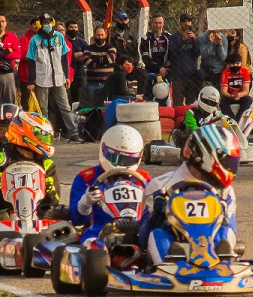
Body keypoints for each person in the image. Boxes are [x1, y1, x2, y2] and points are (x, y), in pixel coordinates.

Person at [138, 125, 241, 264]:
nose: (231, 168)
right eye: (228, 162)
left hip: (211, 246)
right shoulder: (161, 186)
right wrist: (157, 216)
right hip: (174, 249)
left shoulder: (225, 192)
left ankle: (223, 263)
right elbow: (142, 240)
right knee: (157, 235)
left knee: (224, 231)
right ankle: (169, 266)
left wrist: (223, 216)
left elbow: (231, 230)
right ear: (207, 155)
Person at [70, 124, 151, 245]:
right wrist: (85, 203)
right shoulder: (86, 179)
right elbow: (76, 221)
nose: (122, 164)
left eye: (128, 159)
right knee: (92, 245)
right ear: (104, 149)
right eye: (116, 157)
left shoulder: (144, 179)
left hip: (138, 231)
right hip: (100, 232)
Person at [0, 110, 61, 213]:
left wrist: (50, 192)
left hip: (38, 216)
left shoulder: (46, 164)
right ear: (26, 134)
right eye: (42, 137)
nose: (46, 141)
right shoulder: (0, 158)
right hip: (5, 216)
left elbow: (55, 202)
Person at [25, 13, 83, 143]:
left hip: (58, 77)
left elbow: (64, 57)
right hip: (42, 78)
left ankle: (73, 132)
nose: (47, 25)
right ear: (40, 24)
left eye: (49, 22)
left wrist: (66, 76)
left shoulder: (59, 37)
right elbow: (31, 61)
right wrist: (31, 81)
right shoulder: (34, 40)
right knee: (43, 108)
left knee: (65, 106)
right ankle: (44, 133)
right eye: (44, 22)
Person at [172, 85, 222, 149]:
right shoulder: (191, 113)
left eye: (212, 103)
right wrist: (208, 134)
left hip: (210, 139)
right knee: (177, 133)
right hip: (192, 139)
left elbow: (227, 122)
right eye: (207, 101)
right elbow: (193, 128)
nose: (209, 105)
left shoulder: (217, 114)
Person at [169, 13, 201, 105]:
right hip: (178, 76)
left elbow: (197, 54)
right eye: (184, 21)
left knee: (191, 103)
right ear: (180, 23)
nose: (187, 24)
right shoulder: (174, 37)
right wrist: (183, 40)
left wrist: (194, 41)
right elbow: (172, 54)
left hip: (191, 75)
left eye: (189, 21)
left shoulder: (194, 37)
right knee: (178, 104)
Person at [220, 53, 252, 121]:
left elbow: (246, 91)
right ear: (229, 64)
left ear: (240, 63)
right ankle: (231, 120)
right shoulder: (225, 72)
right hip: (229, 96)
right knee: (221, 101)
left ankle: (238, 120)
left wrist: (239, 95)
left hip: (241, 96)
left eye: (237, 63)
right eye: (233, 64)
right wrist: (231, 96)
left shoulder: (245, 72)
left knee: (248, 99)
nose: (235, 65)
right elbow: (223, 91)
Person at [83, 25, 117, 89]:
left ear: (105, 35)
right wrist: (104, 64)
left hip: (108, 83)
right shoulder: (87, 49)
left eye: (102, 35)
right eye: (98, 35)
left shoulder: (111, 48)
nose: (100, 37)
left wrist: (94, 59)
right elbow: (86, 61)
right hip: (92, 83)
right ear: (94, 35)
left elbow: (110, 59)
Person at [18, 17, 40, 111]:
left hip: (41, 77)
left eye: (39, 24)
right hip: (26, 77)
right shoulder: (24, 39)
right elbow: (24, 55)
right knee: (27, 104)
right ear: (30, 26)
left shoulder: (44, 39)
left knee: (40, 104)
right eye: (34, 24)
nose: (37, 26)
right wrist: (40, 55)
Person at [65, 20, 88, 105]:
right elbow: (66, 57)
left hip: (80, 74)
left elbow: (87, 55)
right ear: (67, 29)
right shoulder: (64, 42)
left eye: (75, 27)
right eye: (71, 27)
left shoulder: (82, 42)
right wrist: (75, 55)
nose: (73, 29)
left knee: (80, 99)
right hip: (67, 75)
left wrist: (75, 56)